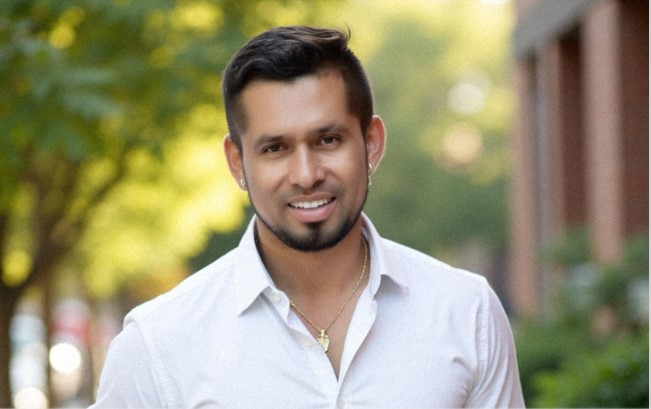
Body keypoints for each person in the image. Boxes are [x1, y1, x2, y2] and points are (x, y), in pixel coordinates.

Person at [90, 26, 525, 408]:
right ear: (238, 162)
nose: (306, 174)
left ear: (371, 143)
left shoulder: (467, 313)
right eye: (275, 148)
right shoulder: (158, 344)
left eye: (328, 140)